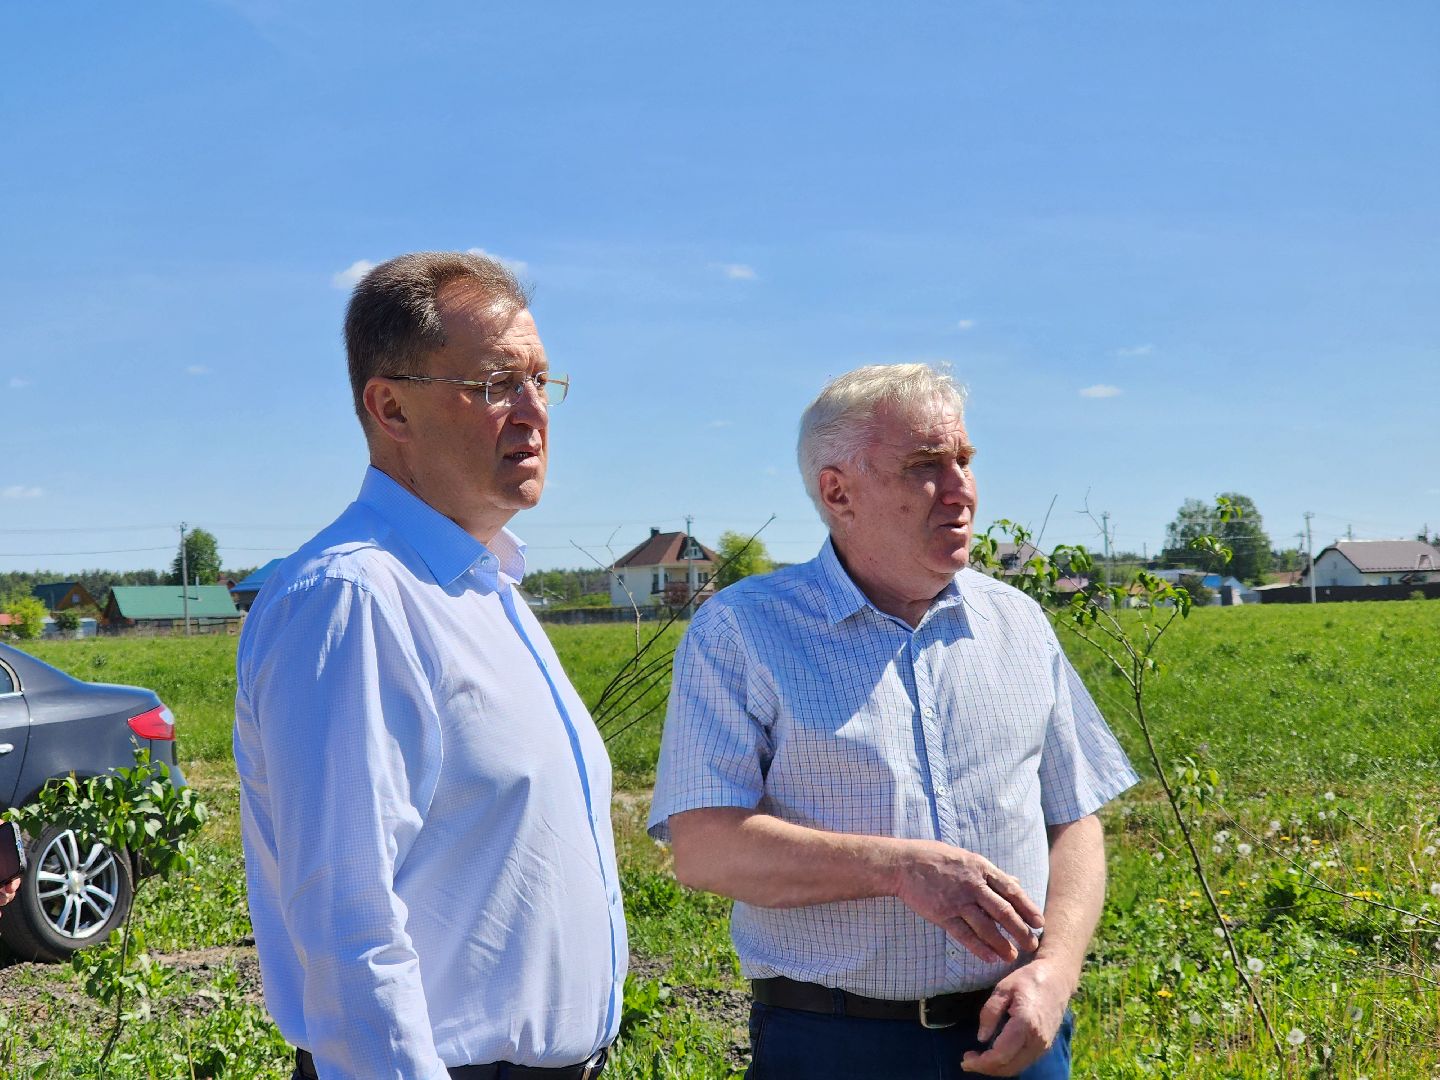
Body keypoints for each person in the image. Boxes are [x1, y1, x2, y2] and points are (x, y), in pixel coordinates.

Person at [648, 363, 1137, 1079]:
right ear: (838, 492)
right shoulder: (743, 632)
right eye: (924, 466)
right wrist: (899, 870)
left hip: (1016, 1032)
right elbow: (706, 848)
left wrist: (1056, 970)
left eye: (964, 460)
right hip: (833, 1044)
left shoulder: (1020, 624)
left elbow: (1074, 819)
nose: (961, 489)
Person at [235, 251, 626, 1080]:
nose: (533, 412)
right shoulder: (353, 598)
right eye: (496, 384)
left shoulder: (485, 586)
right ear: (391, 408)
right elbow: (349, 924)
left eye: (539, 381)